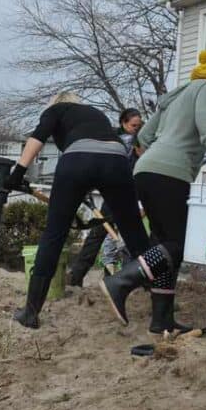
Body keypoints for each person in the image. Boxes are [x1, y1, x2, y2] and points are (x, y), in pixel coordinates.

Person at [100, 51, 206, 334]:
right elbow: (205, 122)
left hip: (146, 170)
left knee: (164, 246)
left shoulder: (173, 96)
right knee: (177, 244)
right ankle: (121, 282)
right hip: (171, 173)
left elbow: (144, 137)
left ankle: (162, 320)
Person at [6, 93, 151, 329]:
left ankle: (30, 313)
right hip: (116, 161)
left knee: (54, 235)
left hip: (77, 161)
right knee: (134, 231)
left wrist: (17, 173)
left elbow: (37, 138)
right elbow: (100, 152)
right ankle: (160, 300)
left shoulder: (56, 110)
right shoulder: (96, 114)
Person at [66, 108, 143, 286]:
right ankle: (76, 277)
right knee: (97, 233)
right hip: (112, 191)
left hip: (132, 193)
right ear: (123, 122)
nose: (136, 129)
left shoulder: (142, 140)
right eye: (133, 125)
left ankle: (138, 281)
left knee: (134, 239)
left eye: (138, 126)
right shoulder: (112, 138)